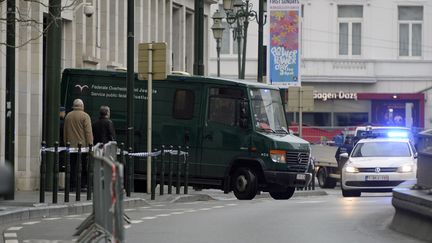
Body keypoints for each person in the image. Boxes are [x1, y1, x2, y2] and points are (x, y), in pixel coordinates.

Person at [64, 99, 93, 190]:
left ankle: (72, 184)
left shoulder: (68, 116)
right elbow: (88, 132)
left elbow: (65, 131)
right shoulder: (85, 116)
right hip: (82, 146)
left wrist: (66, 143)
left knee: (71, 165)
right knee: (83, 165)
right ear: (82, 106)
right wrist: (90, 145)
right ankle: (82, 184)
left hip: (71, 146)